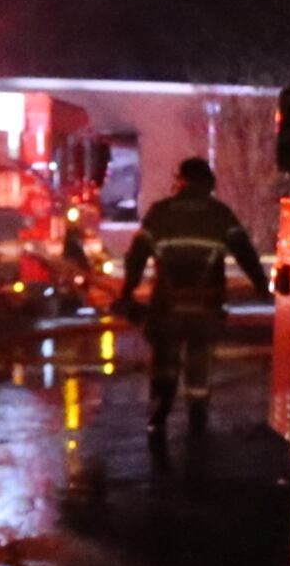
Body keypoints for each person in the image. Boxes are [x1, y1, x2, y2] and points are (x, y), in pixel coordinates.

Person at [114, 156, 270, 446]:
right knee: (199, 361)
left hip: (166, 307)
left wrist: (126, 292)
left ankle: (159, 416)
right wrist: (262, 286)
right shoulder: (220, 214)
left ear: (181, 181)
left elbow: (136, 257)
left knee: (165, 362)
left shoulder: (160, 213)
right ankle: (198, 419)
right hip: (206, 308)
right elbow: (245, 252)